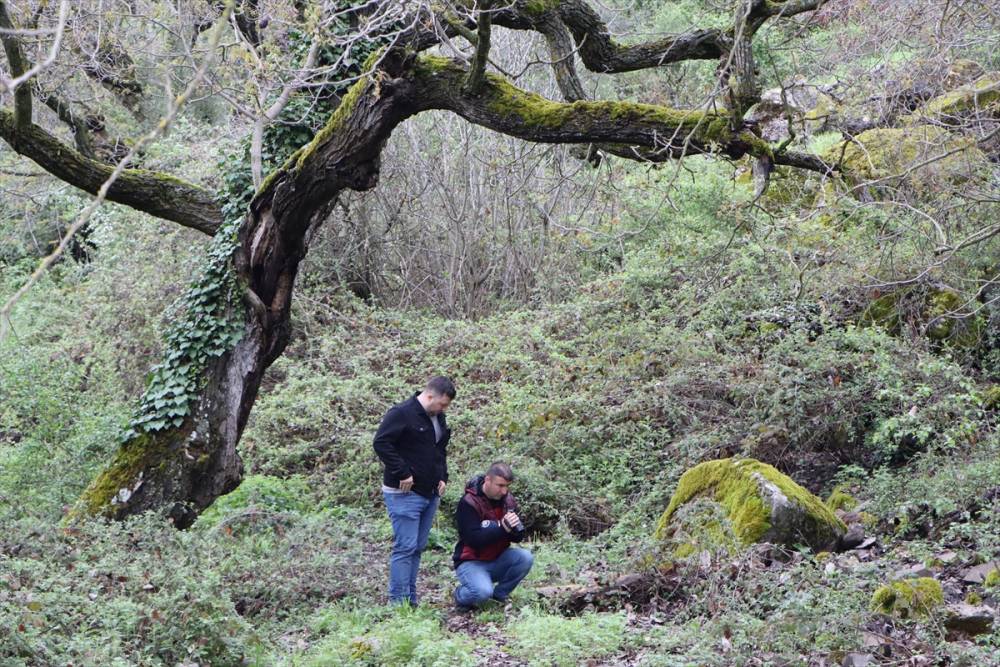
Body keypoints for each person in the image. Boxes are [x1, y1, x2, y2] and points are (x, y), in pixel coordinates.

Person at [373, 376, 455, 605]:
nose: (444, 409)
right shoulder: (401, 413)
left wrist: (442, 477)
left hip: (430, 492)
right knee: (405, 546)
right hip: (404, 493)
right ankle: (397, 603)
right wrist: (402, 472)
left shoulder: (438, 417)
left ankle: (410, 600)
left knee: (417, 547)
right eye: (442, 404)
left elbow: (439, 449)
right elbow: (381, 443)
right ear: (429, 396)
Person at [452, 462, 534, 609]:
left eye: (507, 486)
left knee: (525, 557)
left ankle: (499, 596)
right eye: (500, 485)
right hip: (471, 562)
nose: (504, 491)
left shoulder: (508, 501)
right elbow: (473, 540)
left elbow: (518, 537)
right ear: (488, 480)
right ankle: (460, 594)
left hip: (497, 558)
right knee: (482, 592)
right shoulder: (468, 502)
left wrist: (515, 529)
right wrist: (502, 528)